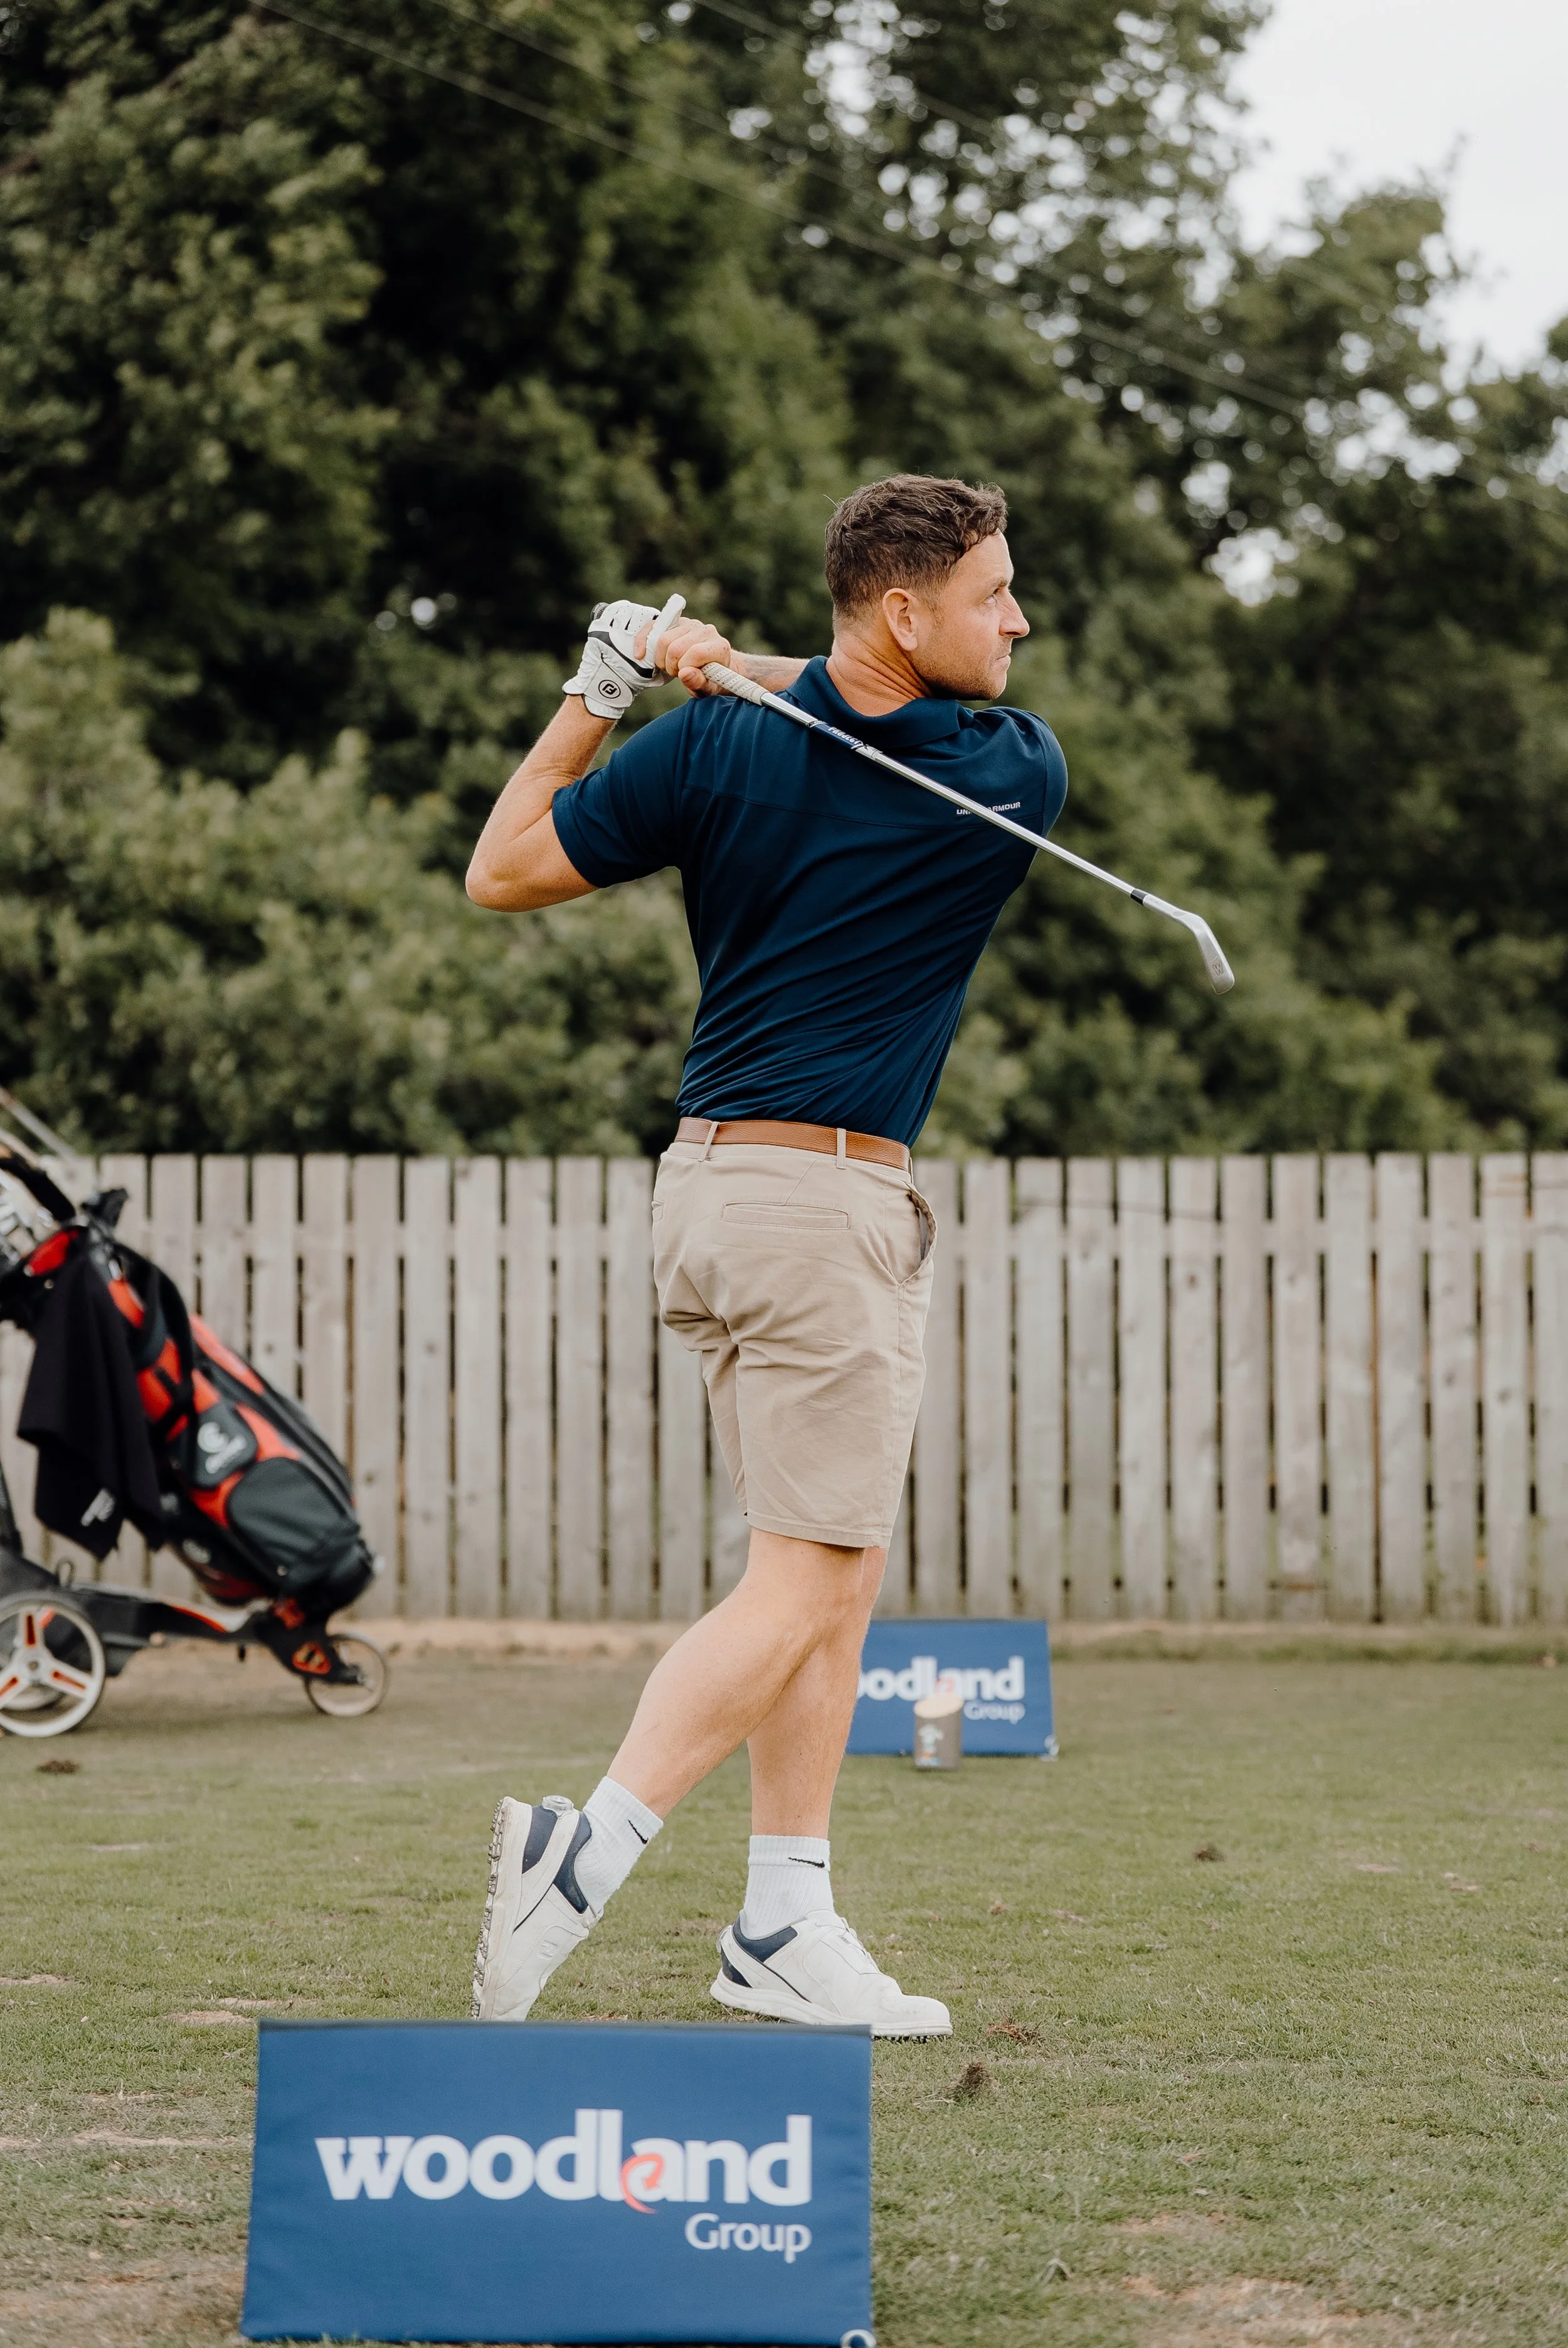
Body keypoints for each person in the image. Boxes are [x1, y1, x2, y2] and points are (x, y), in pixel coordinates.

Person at [465, 472, 1066, 2037]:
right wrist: (694, 665)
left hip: (716, 1194)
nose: (1017, 618)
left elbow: (504, 857)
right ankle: (579, 1850)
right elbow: (508, 883)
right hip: (819, 1207)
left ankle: (784, 1917)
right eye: (992, 591)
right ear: (900, 609)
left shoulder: (734, 734)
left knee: (832, 1562)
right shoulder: (998, 760)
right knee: (806, 1576)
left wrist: (605, 688)